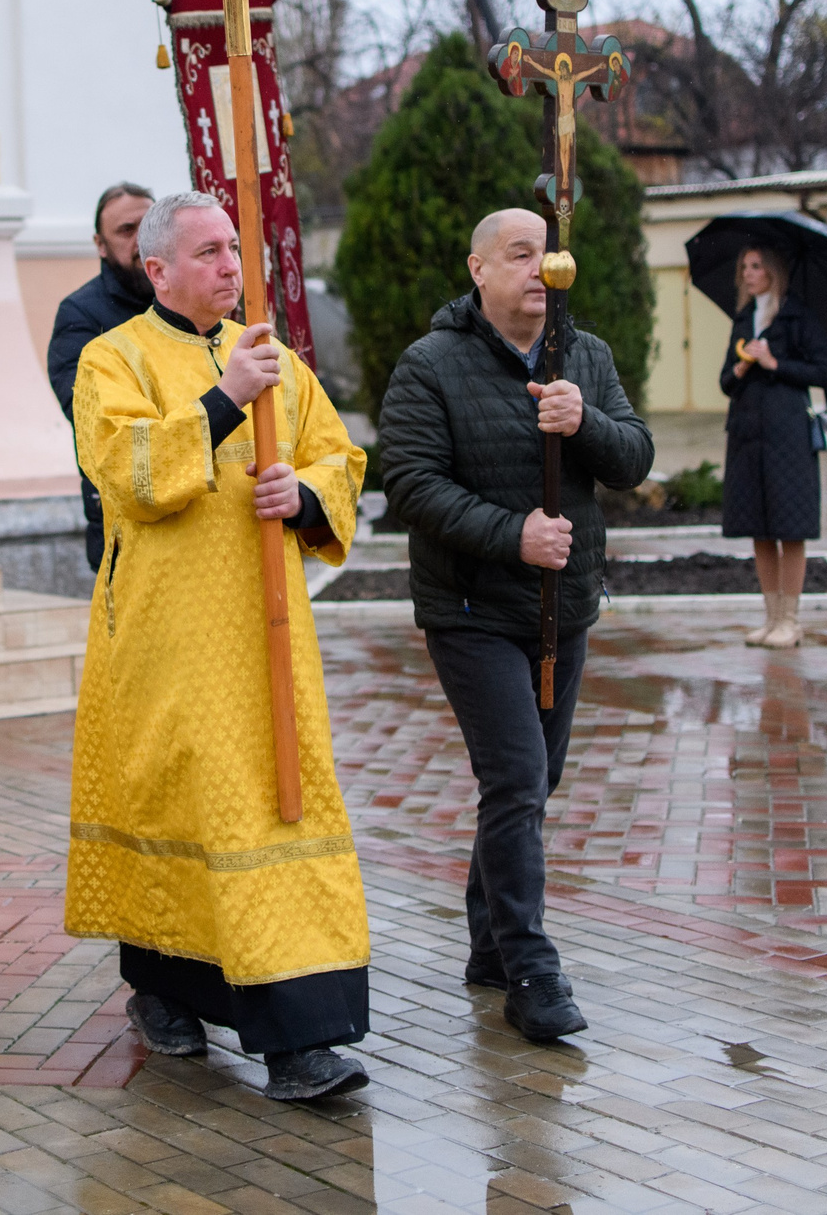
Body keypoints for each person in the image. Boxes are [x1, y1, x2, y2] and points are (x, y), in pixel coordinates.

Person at [67, 190, 372, 1104]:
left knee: (279, 805)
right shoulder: (110, 358)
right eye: (206, 252)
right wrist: (225, 399)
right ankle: (164, 985)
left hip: (269, 638)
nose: (229, 267)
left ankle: (299, 1040)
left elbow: (339, 455)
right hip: (166, 637)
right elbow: (128, 471)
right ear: (155, 270)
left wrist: (306, 494)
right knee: (179, 804)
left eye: (233, 250)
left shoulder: (277, 358)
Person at [376, 208, 654, 1040]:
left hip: (562, 610)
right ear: (479, 268)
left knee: (534, 782)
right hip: (470, 610)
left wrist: (587, 422)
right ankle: (531, 968)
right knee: (517, 779)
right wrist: (515, 536)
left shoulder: (586, 357)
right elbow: (411, 486)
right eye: (520, 253)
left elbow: (635, 458)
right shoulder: (431, 364)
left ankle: (489, 942)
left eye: (550, 253)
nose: (540, 268)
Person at [721, 244, 827, 648]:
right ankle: (770, 619)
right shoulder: (742, 319)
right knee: (760, 528)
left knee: (790, 528)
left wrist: (773, 364)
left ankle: (791, 620)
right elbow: (725, 382)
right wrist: (739, 368)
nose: (747, 274)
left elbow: (822, 371)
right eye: (743, 267)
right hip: (748, 436)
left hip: (788, 437)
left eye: (755, 266)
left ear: (772, 271)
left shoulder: (797, 315)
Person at [44, 181, 155, 570]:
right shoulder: (80, 315)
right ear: (100, 244)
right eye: (126, 231)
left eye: (151, 224)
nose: (142, 240)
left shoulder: (192, 302)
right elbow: (88, 410)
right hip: (121, 514)